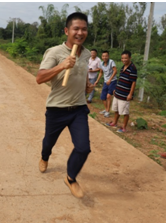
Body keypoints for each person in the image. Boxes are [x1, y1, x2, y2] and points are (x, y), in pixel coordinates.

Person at [36, 12, 94, 198]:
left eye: (84, 29)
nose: (80, 32)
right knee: (48, 142)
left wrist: (86, 84)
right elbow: (40, 78)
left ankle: (70, 178)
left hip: (78, 109)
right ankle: (45, 157)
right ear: (67, 30)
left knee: (83, 148)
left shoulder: (85, 54)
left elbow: (83, 71)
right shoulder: (54, 52)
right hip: (56, 109)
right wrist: (61, 66)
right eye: (76, 28)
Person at [105, 50, 137, 133]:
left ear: (130, 58)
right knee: (116, 109)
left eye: (126, 58)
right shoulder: (123, 67)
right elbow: (121, 79)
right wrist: (116, 88)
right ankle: (114, 123)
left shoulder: (132, 68)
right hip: (118, 92)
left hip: (125, 94)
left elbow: (133, 82)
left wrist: (130, 94)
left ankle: (124, 127)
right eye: (122, 58)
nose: (124, 60)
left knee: (125, 112)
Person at [94, 51, 117, 118]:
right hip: (105, 82)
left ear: (108, 56)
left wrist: (110, 80)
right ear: (102, 57)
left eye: (106, 56)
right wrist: (97, 80)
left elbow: (115, 71)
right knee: (103, 97)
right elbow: (101, 72)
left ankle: (107, 111)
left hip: (112, 81)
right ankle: (106, 109)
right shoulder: (101, 63)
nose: (105, 57)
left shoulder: (111, 62)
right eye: (103, 56)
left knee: (108, 96)